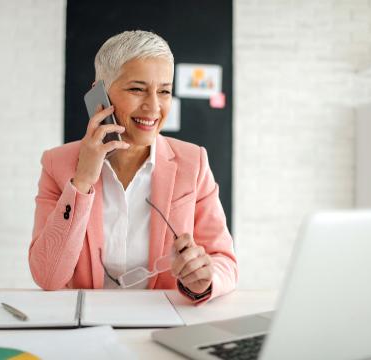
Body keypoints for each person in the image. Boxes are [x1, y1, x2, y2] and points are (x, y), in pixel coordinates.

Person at [29, 30, 237, 304]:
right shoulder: (58, 164)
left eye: (164, 91)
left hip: (161, 322)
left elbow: (224, 262)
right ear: (99, 95)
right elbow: (48, 276)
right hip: (85, 325)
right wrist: (82, 182)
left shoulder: (193, 162)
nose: (153, 107)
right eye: (137, 89)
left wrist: (202, 280)